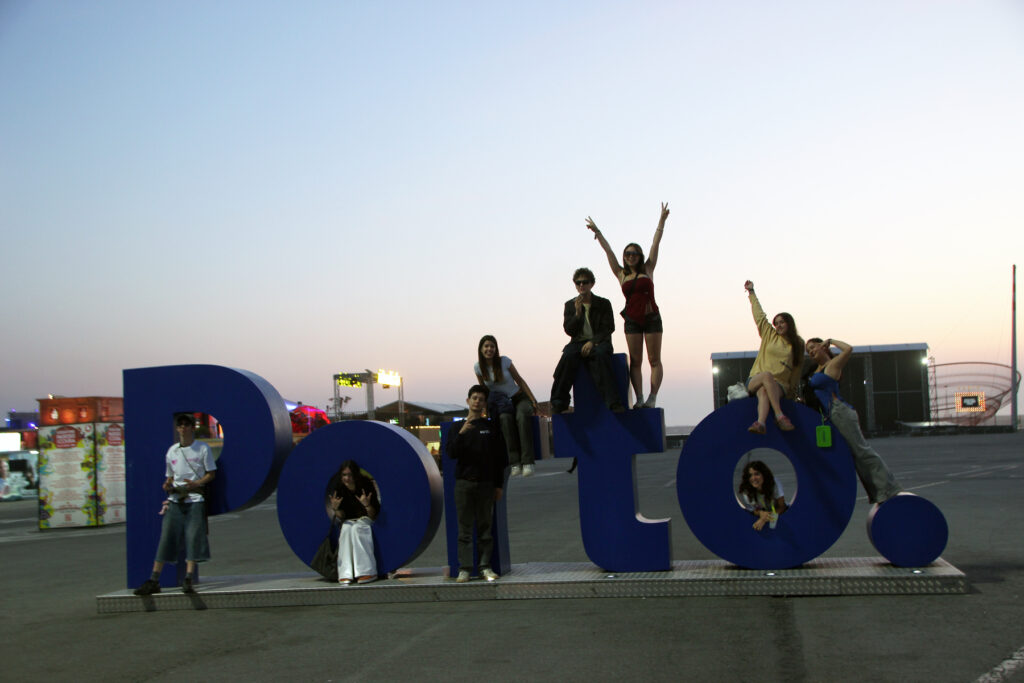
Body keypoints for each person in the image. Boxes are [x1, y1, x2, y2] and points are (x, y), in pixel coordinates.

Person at [585, 203, 669, 408]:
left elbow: (655, 243)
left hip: (651, 317)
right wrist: (598, 233)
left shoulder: (648, 268)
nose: (631, 256)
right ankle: (639, 398)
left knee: (654, 359)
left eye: (634, 253)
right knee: (636, 360)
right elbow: (609, 252)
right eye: (628, 253)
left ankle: (652, 397)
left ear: (640, 256)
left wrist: (661, 221)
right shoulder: (621, 274)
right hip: (632, 319)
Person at [805, 338, 903, 503]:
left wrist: (831, 341)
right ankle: (878, 493)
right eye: (808, 350)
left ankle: (889, 488)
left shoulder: (833, 364)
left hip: (840, 411)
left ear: (823, 347)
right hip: (830, 415)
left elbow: (848, 349)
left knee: (862, 451)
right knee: (854, 456)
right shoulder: (816, 370)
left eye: (813, 347)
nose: (811, 352)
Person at [133, 414, 217, 595]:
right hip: (175, 499)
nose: (183, 428)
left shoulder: (202, 448)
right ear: (177, 428)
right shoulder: (172, 451)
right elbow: (170, 476)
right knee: (166, 538)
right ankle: (154, 579)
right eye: (180, 425)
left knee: (193, 538)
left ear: (192, 428)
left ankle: (188, 578)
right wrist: (167, 484)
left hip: (195, 499)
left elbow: (211, 473)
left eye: (187, 424)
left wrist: (197, 483)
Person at [447, 385, 507, 583]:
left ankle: (485, 567)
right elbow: (451, 453)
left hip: (486, 485)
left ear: (484, 404)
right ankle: (464, 569)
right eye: (474, 398)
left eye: (481, 399)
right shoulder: (457, 428)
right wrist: (462, 433)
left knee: (485, 529)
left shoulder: (491, 428)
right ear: (468, 401)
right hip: (464, 484)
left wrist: (498, 485)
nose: (477, 401)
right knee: (464, 530)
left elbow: (499, 459)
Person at [549, 267, 625, 414]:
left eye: (585, 282)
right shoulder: (570, 305)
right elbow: (569, 330)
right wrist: (577, 314)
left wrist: (593, 342)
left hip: (599, 342)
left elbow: (609, 327)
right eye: (578, 283)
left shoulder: (603, 303)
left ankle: (613, 403)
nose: (581, 285)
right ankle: (559, 402)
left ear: (592, 284)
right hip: (577, 343)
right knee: (567, 358)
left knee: (601, 357)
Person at [474, 335, 541, 477]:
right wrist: (484, 411)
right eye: (486, 346)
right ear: (480, 349)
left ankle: (528, 462)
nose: (489, 349)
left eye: (492, 346)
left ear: (496, 349)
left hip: (518, 398)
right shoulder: (478, 367)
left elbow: (519, 380)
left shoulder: (504, 361)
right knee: (505, 419)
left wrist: (533, 400)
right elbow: (484, 391)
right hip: (502, 404)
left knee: (521, 417)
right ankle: (514, 462)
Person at [743, 280, 803, 433]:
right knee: (766, 377)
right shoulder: (769, 335)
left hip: (780, 385)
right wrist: (751, 292)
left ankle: (761, 423)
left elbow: (797, 369)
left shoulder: (797, 344)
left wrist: (792, 393)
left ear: (789, 323)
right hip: (756, 378)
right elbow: (759, 315)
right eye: (776, 323)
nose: (778, 325)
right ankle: (779, 416)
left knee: (764, 391)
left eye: (782, 322)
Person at [327, 460, 380, 585]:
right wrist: (336, 509)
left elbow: (373, 514)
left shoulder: (366, 485)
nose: (347, 478)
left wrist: (367, 505)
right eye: (344, 475)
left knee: (358, 529)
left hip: (365, 518)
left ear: (356, 474)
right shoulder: (339, 488)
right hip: (349, 520)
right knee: (346, 529)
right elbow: (342, 516)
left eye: (350, 475)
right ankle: (345, 573)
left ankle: (367, 571)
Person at [738, 460, 787, 531]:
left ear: (764, 474)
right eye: (750, 475)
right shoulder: (746, 490)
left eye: (757, 474)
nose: (753, 478)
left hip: (777, 512)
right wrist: (761, 513)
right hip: (762, 513)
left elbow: (782, 506)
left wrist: (765, 518)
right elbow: (752, 510)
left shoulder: (774, 483)